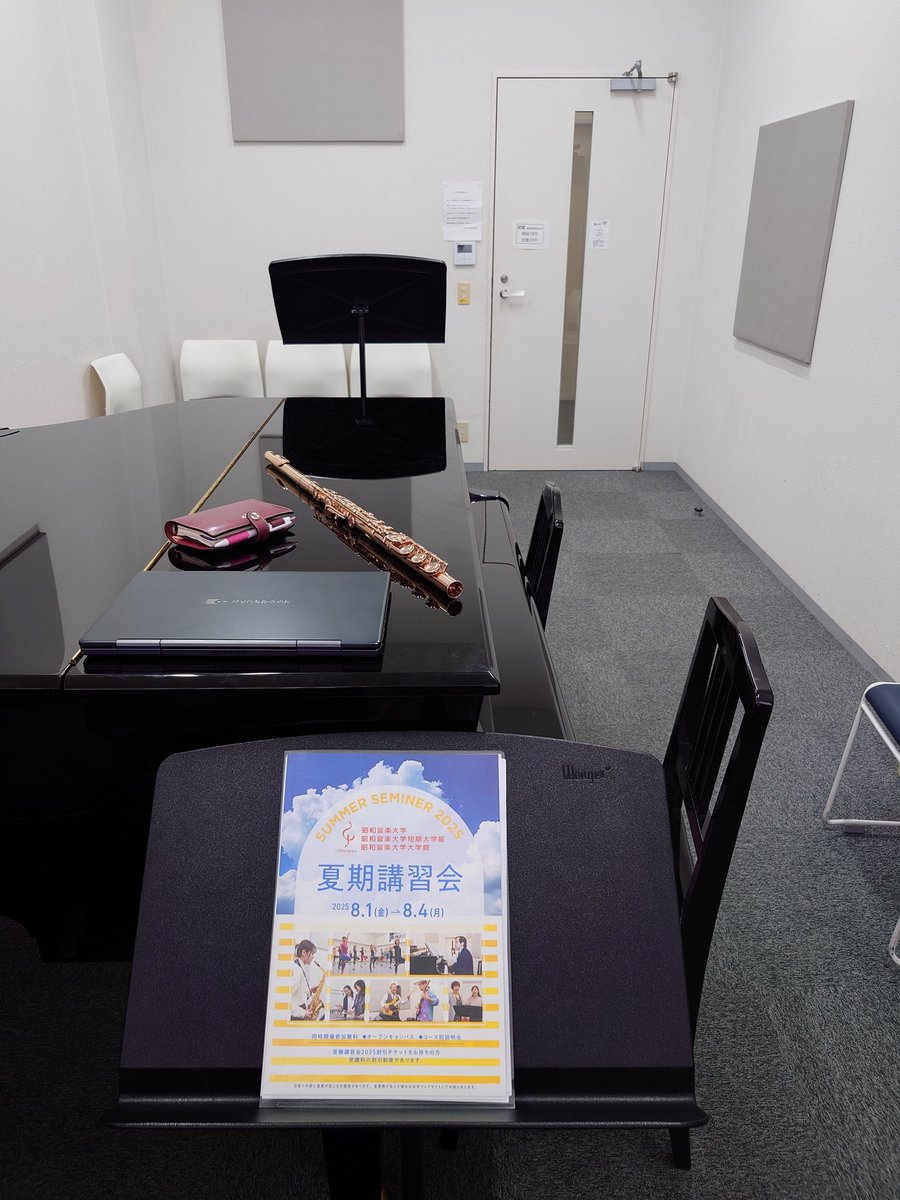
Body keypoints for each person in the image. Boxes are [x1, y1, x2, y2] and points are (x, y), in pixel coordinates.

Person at [291, 939, 326, 1020]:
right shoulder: (297, 970)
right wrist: (303, 1013)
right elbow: (285, 998)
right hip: (296, 1017)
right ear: (304, 953)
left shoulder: (299, 967)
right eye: (312, 953)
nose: (313, 956)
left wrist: (310, 990)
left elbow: (298, 991)